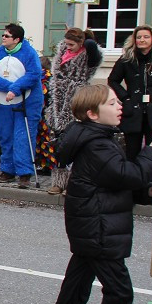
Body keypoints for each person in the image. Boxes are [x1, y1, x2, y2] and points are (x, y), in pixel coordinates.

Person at [43, 83, 152, 304]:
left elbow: (116, 179)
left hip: (92, 223)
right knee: (120, 291)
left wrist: (149, 189)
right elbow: (129, 174)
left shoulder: (98, 138)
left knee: (77, 283)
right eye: (112, 103)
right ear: (92, 113)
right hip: (98, 227)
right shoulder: (97, 144)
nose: (119, 106)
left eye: (118, 102)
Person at [43, 28, 101, 195]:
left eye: (72, 45)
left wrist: (86, 37)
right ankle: (58, 182)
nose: (68, 47)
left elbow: (92, 47)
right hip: (58, 100)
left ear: (81, 43)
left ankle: (73, 183)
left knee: (74, 143)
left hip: (76, 99)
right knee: (59, 143)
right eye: (66, 44)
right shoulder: (63, 52)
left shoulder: (89, 55)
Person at [0, 23, 43, 187]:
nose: (3, 38)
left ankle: (24, 172)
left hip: (27, 103)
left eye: (7, 36)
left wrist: (16, 89)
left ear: (17, 39)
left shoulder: (29, 53)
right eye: (3, 35)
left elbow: (33, 74)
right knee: (6, 136)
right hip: (3, 102)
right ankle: (8, 170)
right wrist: (7, 87)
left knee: (23, 137)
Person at [107, 25, 152, 160]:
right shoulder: (127, 59)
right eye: (138, 37)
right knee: (132, 151)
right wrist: (125, 98)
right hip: (133, 110)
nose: (142, 40)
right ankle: (133, 179)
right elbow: (113, 80)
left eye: (146, 37)